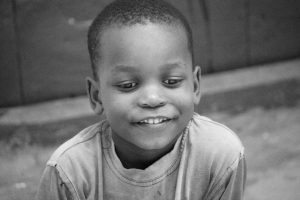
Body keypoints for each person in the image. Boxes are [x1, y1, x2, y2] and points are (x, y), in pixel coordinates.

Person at [36, 0, 246, 199]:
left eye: (171, 81)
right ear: (96, 96)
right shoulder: (70, 173)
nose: (152, 99)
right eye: (128, 85)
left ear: (195, 85)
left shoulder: (221, 157)